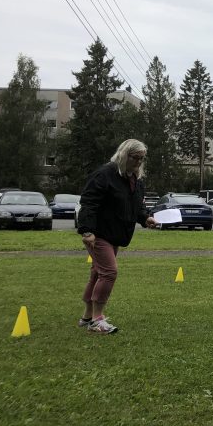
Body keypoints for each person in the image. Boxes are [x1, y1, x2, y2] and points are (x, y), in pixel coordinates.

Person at [76, 139, 157, 334]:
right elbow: (89, 202)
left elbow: (136, 206)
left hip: (115, 234)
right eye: (135, 158)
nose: (138, 162)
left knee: (97, 272)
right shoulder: (105, 174)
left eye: (141, 159)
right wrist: (87, 230)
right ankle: (97, 320)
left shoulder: (135, 180)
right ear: (124, 154)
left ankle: (87, 317)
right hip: (98, 233)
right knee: (109, 272)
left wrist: (145, 218)